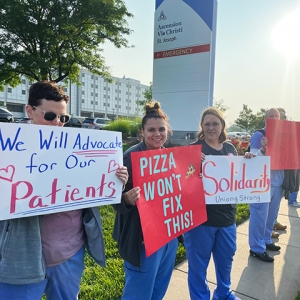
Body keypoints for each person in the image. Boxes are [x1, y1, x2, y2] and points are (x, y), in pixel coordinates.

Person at [0, 81, 128, 300]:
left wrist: (114, 179)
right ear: (30, 111)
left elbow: (95, 188)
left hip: (69, 253)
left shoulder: (78, 146)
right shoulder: (9, 149)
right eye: (50, 116)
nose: (57, 123)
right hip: (21, 258)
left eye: (63, 118)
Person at [184, 107, 254, 300]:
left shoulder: (230, 148)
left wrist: (248, 161)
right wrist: (192, 164)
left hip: (227, 218)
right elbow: (182, 182)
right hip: (200, 220)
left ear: (222, 125)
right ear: (202, 126)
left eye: (215, 123)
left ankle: (224, 293)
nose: (211, 128)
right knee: (198, 266)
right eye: (207, 124)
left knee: (225, 261)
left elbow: (238, 178)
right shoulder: (193, 149)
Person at [113, 100, 178, 300]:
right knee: (138, 293)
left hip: (168, 235)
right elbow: (113, 199)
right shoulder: (129, 157)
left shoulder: (170, 156)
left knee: (159, 288)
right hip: (142, 239)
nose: (157, 134)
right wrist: (126, 199)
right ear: (142, 132)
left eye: (161, 129)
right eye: (151, 130)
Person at [248, 108, 283, 263]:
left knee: (271, 215)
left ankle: (266, 239)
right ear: (265, 119)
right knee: (259, 215)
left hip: (278, 180)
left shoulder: (284, 135)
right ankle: (256, 248)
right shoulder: (259, 135)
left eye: (277, 116)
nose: (274, 118)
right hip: (262, 182)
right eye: (271, 116)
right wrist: (263, 148)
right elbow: (252, 157)